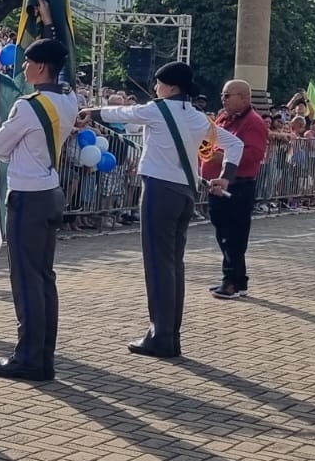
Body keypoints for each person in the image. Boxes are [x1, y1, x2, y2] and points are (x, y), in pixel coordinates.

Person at [84, 61, 242, 358]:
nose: (155, 89)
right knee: (173, 266)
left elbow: (122, 113)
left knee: (157, 266)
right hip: (185, 193)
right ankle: (170, 334)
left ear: (170, 86)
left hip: (159, 190)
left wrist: (89, 113)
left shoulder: (157, 109)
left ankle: (161, 335)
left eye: (158, 84)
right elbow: (236, 146)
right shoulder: (198, 118)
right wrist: (225, 177)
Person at [0, 38, 81, 382]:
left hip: (27, 196)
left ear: (40, 66)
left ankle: (28, 357)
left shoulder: (29, 106)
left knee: (25, 280)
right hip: (50, 191)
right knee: (43, 279)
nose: (23, 68)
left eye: (27, 63)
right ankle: (43, 356)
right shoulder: (70, 101)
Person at [205, 79, 269, 300]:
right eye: (223, 95)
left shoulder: (253, 122)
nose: (223, 99)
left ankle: (232, 281)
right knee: (224, 234)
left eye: (227, 95)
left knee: (233, 236)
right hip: (217, 183)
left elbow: (255, 154)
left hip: (238, 185)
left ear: (243, 97)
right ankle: (236, 279)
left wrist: (222, 157)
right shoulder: (223, 118)